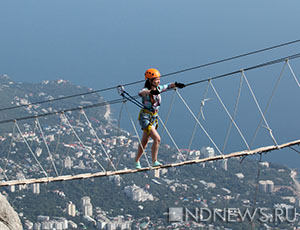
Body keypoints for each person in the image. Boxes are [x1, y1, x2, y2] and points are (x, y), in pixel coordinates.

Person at [135, 68, 185, 169]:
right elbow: (141, 93)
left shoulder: (159, 88)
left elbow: (168, 86)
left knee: (144, 141)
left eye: (159, 79)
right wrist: (150, 92)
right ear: (150, 80)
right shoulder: (146, 90)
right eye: (156, 79)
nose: (158, 81)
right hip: (145, 118)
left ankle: (136, 161)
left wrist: (177, 84)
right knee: (157, 139)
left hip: (153, 118)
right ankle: (154, 161)